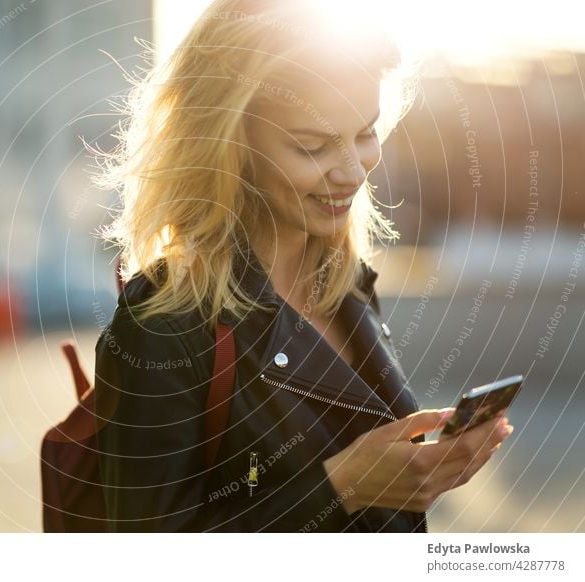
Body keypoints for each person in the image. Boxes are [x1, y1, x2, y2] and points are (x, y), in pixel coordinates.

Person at [90, 0, 513, 532]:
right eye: (312, 147)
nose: (353, 170)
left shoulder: (347, 282)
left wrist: (422, 472)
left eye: (366, 133)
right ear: (229, 142)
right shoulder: (164, 322)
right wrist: (343, 488)